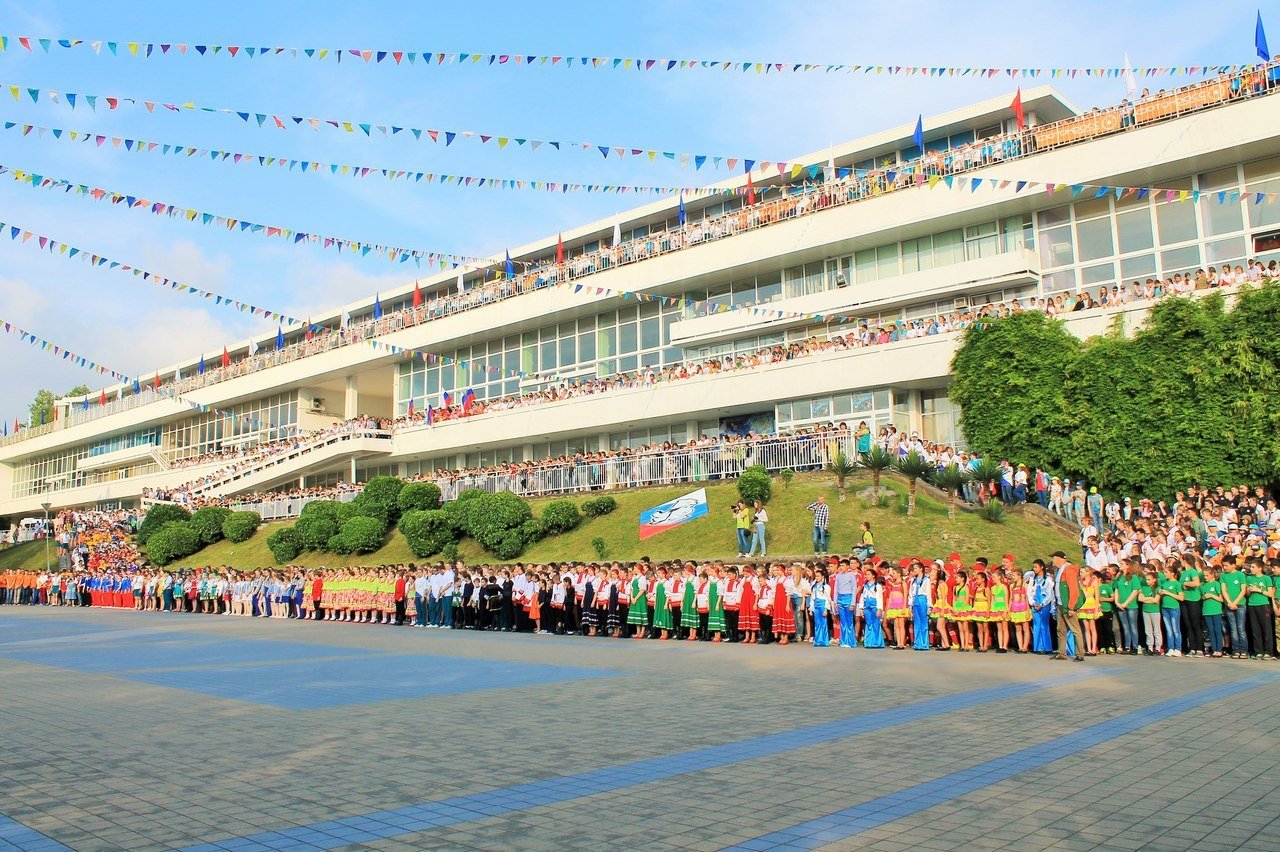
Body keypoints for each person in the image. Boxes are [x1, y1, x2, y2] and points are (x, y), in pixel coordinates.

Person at [1050, 551, 1084, 662]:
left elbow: (1073, 590)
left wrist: (1071, 607)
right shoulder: (1059, 570)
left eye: (1054, 558)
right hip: (1060, 604)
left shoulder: (1069, 570)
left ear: (1060, 558)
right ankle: (1061, 653)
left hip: (1067, 605)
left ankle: (1079, 654)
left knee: (1075, 630)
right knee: (1061, 629)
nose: (1052, 560)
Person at [1158, 566, 1185, 658]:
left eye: (1166, 572)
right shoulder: (1164, 583)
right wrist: (1160, 592)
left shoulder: (1177, 584)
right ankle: (1170, 648)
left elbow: (1181, 597)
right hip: (1165, 608)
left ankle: (1178, 648)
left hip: (1174, 608)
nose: (1165, 574)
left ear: (1172, 573)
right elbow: (1159, 590)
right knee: (1168, 629)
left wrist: (1167, 592)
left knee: (1175, 629)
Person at [810, 567, 831, 647]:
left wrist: (826, 609)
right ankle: (818, 640)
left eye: (818, 576)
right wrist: (811, 609)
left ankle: (824, 640)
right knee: (817, 623)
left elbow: (828, 598)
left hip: (822, 605)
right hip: (816, 605)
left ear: (822, 576)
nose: (817, 578)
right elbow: (812, 598)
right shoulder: (814, 586)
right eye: (816, 576)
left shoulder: (826, 586)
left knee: (823, 623)